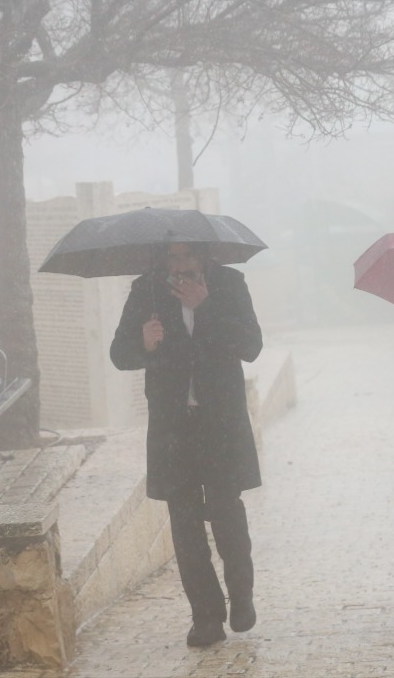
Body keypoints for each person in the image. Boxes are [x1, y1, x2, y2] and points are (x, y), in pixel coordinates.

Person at [110, 241, 263, 647]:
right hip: (172, 427)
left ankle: (241, 596)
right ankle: (206, 617)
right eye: (173, 259)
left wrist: (206, 306)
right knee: (185, 522)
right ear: (162, 260)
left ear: (204, 257)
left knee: (226, 511)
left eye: (188, 257)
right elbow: (119, 353)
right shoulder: (147, 291)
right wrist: (143, 342)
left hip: (221, 424)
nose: (180, 266)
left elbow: (251, 346)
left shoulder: (229, 285)